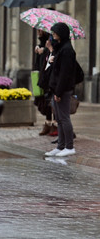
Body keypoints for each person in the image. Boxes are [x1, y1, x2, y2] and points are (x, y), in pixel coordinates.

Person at [44, 22, 76, 157]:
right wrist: (52, 53)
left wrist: (59, 92)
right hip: (56, 87)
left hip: (62, 89)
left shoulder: (67, 50)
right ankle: (60, 146)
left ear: (61, 33)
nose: (53, 34)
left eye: (55, 32)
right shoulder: (60, 48)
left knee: (64, 118)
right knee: (59, 118)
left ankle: (69, 146)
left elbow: (64, 73)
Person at [34, 29, 57, 136]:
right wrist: (39, 50)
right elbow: (43, 61)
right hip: (44, 73)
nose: (38, 31)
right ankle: (48, 123)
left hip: (53, 75)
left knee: (53, 100)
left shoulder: (56, 41)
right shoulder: (43, 41)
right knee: (45, 99)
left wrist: (45, 51)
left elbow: (54, 55)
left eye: (40, 30)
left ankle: (55, 125)